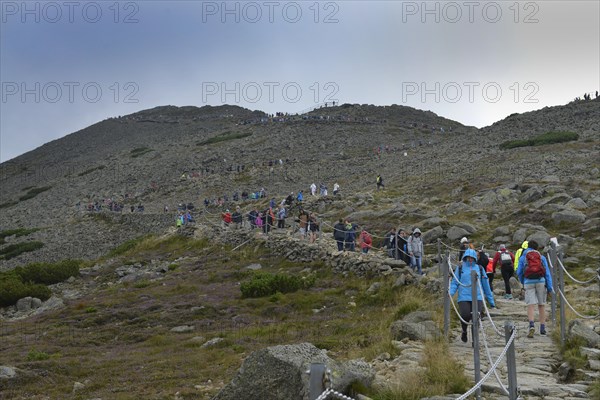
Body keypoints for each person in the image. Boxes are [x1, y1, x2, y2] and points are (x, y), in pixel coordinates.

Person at [450, 249, 496, 343]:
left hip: (477, 297)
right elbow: (455, 282)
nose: (470, 259)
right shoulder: (460, 268)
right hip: (463, 296)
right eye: (468, 257)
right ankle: (464, 331)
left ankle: (475, 340)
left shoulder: (480, 268)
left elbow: (485, 285)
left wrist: (491, 301)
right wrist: (450, 293)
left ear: (475, 258)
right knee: (465, 315)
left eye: (472, 258)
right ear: (465, 257)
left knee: (476, 317)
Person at [516, 240, 553, 338]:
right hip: (541, 281)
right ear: (537, 248)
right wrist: (549, 287)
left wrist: (523, 282)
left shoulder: (523, 257)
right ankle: (542, 328)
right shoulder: (541, 257)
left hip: (528, 282)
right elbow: (547, 273)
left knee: (530, 305)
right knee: (541, 305)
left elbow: (519, 271)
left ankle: (531, 325)